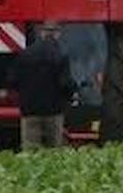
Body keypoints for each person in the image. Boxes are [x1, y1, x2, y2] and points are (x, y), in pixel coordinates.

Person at [8, 21, 76, 151]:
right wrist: (71, 94)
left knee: (30, 151)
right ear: (57, 34)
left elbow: (12, 80)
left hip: (30, 111)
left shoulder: (25, 55)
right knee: (54, 151)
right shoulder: (60, 56)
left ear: (41, 33)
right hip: (53, 111)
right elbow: (65, 83)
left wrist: (24, 93)